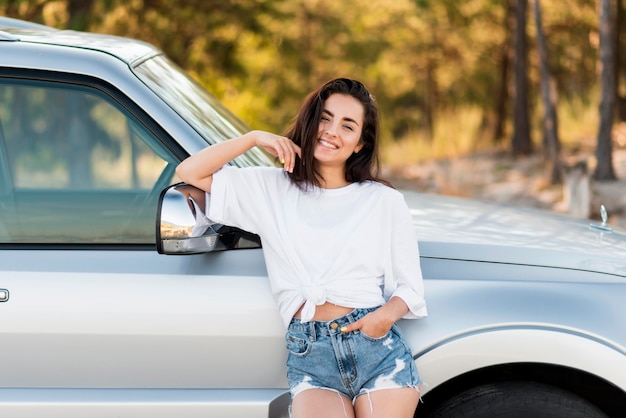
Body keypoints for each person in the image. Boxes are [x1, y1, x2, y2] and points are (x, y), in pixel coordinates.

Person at [176, 78, 427, 418]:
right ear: (310, 123)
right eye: (325, 118)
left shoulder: (383, 201)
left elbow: (410, 289)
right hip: (311, 355)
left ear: (359, 144)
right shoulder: (270, 188)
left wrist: (382, 319)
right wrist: (254, 138)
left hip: (376, 350)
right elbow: (189, 171)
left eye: (347, 126)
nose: (331, 131)